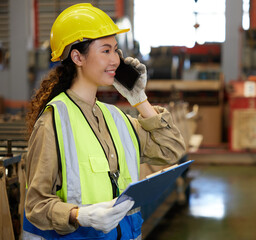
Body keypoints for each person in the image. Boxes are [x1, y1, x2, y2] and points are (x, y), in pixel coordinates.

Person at [23, 3, 186, 240]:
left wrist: (139, 99)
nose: (116, 61)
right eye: (106, 51)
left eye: (116, 51)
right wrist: (79, 215)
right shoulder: (53, 122)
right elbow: (36, 205)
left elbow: (172, 150)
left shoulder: (116, 118)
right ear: (78, 57)